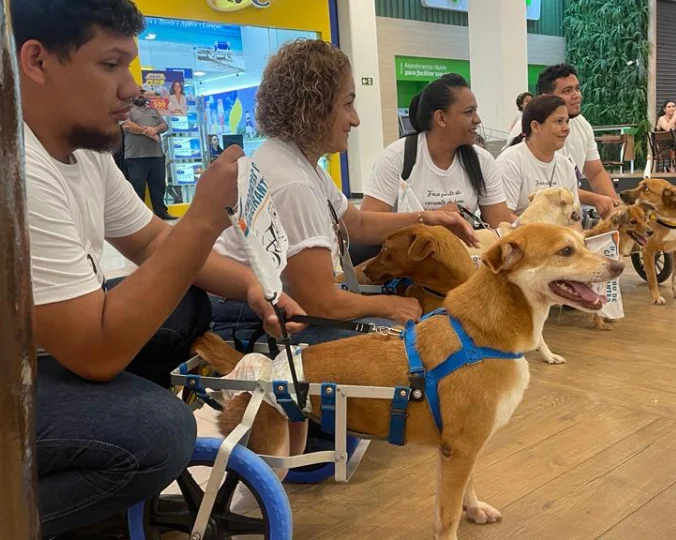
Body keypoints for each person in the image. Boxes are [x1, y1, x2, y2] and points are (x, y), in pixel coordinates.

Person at [11, 0, 307, 537]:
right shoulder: (17, 169)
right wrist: (204, 219)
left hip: (48, 351)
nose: (131, 88)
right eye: (110, 65)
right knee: (157, 434)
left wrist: (250, 285)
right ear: (37, 61)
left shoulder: (85, 150)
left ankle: (106, 466)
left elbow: (151, 239)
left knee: (187, 305)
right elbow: (95, 352)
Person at [213, 40, 478, 346]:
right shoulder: (293, 183)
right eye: (347, 104)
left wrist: (427, 218)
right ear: (313, 108)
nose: (356, 119)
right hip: (250, 319)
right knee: (411, 344)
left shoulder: (295, 162)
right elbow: (321, 305)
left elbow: (357, 223)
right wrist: (389, 306)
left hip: (271, 307)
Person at [362, 74, 516, 227]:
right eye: (469, 112)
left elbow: (500, 226)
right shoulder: (396, 158)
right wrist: (426, 219)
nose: (477, 119)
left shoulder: (482, 160)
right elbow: (367, 226)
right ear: (441, 118)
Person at [504, 64, 622, 218]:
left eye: (577, 89)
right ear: (546, 97)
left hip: (566, 221)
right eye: (567, 91)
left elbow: (596, 173)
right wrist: (595, 199)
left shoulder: (582, 125)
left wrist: (615, 206)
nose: (576, 95)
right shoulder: (524, 136)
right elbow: (504, 214)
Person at [497, 94, 580, 222]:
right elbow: (503, 218)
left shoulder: (566, 166)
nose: (566, 128)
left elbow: (574, 220)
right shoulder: (510, 162)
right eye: (559, 121)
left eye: (567, 121)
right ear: (535, 126)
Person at [121, 91, 173, 220]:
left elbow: (164, 125)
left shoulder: (153, 110)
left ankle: (161, 212)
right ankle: (138, 217)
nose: (140, 96)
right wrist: (147, 132)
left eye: (142, 94)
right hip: (136, 157)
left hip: (156, 155)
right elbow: (127, 125)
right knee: (137, 187)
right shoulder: (126, 109)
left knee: (159, 186)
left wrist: (155, 129)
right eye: (138, 93)